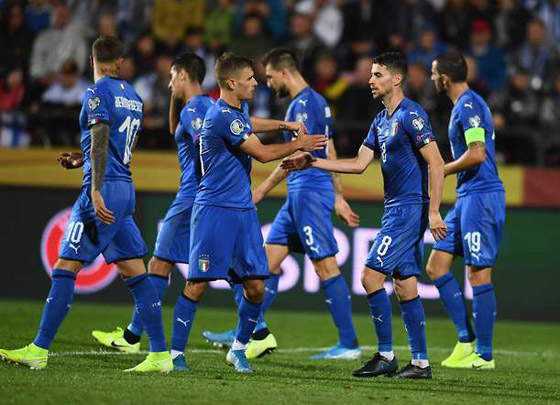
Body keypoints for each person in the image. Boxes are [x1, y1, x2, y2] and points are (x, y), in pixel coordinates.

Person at [89, 52, 311, 370]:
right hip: (212, 201)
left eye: (172, 78)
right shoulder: (206, 108)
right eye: (250, 78)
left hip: (207, 198)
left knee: (194, 271)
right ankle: (157, 343)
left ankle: (145, 336)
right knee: (195, 273)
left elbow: (225, 134)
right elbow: (189, 130)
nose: (169, 84)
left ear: (183, 75)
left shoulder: (205, 109)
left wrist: (280, 130)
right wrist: (288, 131)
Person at [0, 36, 171, 373]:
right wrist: (84, 158)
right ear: (120, 62)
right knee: (136, 272)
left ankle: (39, 349)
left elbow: (102, 139)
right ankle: (160, 354)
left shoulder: (96, 93)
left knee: (65, 267)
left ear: (91, 61)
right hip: (124, 187)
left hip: (103, 189)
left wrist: (94, 188)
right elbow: (116, 145)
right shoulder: (134, 97)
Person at [281, 52, 447, 379]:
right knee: (405, 285)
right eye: (371, 75)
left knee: (370, 276)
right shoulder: (380, 120)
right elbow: (358, 164)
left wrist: (433, 211)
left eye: (377, 75)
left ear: (396, 79)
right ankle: (420, 363)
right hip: (393, 208)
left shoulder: (411, 115)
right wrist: (313, 161)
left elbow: (437, 162)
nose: (370, 80)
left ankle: (385, 356)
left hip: (409, 208)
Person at [162, 52, 327, 374]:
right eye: (250, 79)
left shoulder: (237, 111)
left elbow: (250, 124)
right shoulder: (220, 115)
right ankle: (176, 354)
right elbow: (262, 154)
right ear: (231, 83)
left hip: (243, 211)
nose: (256, 83)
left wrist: (285, 124)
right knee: (196, 284)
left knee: (255, 287)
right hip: (214, 210)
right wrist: (299, 143)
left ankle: (238, 350)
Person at [203, 47, 361, 360]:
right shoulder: (315, 101)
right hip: (301, 193)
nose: (267, 83)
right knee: (268, 264)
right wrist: (338, 195)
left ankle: (349, 344)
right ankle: (249, 330)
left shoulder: (303, 105)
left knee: (324, 265)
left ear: (284, 72)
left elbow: (298, 154)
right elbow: (328, 147)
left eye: (270, 76)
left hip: (308, 191)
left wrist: (261, 190)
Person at [427, 52, 505, 370]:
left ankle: (484, 355)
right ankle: (464, 341)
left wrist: (442, 169)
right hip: (467, 197)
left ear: (445, 78)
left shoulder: (469, 105)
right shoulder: (462, 105)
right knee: (436, 266)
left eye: (434, 73)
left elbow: (477, 153)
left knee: (478, 274)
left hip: (481, 196)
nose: (432, 78)